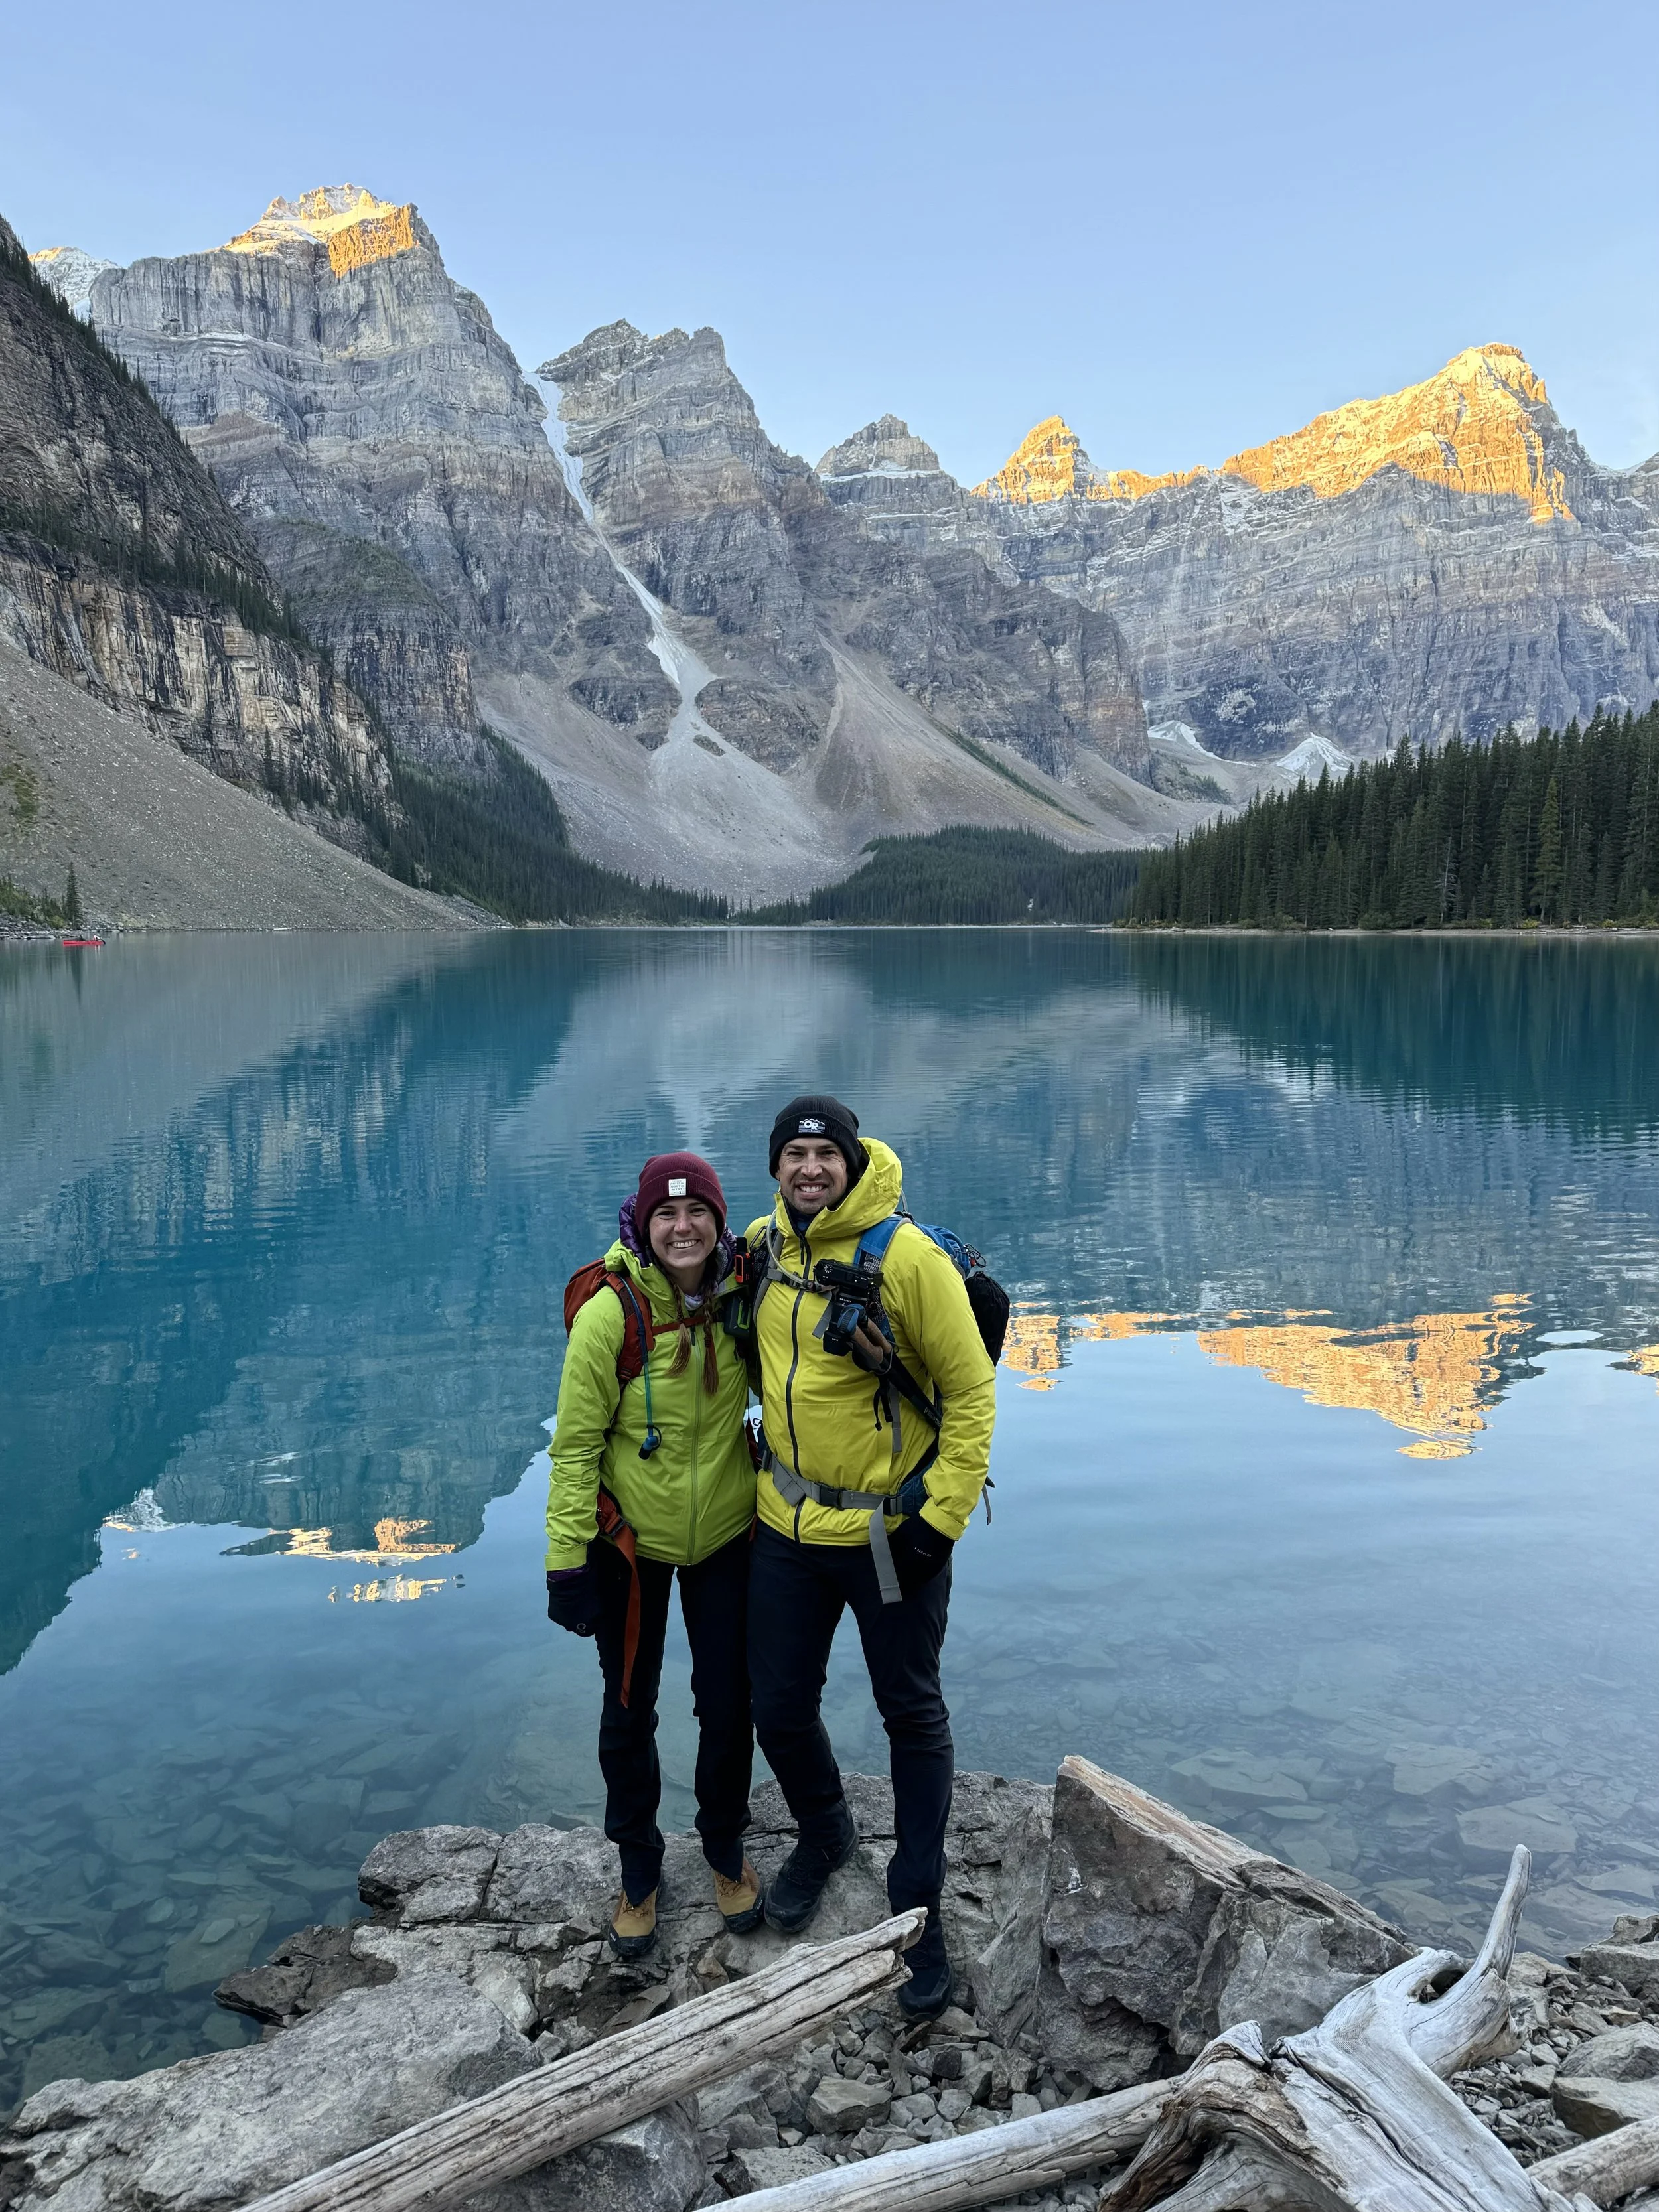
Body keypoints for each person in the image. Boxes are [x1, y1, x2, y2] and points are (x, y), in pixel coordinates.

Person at [741, 1096, 996, 2017]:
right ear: (776, 1167)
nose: (809, 1168)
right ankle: (827, 1831)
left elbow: (971, 1393)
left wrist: (943, 1517)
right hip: (787, 1522)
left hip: (894, 1531)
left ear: (850, 1163)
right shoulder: (765, 1248)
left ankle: (917, 1905)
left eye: (824, 1154)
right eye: (794, 1154)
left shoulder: (908, 1257)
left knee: (910, 1712)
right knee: (776, 1699)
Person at [545, 1151, 762, 1958]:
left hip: (726, 1537)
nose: (683, 1227)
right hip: (631, 1547)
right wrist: (566, 1556)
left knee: (727, 1702)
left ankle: (723, 1847)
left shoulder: (742, 1292)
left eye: (698, 1212)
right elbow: (573, 1448)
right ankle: (639, 1867)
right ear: (643, 1222)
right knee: (629, 1706)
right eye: (667, 1215)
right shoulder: (612, 1314)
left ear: (717, 1220)